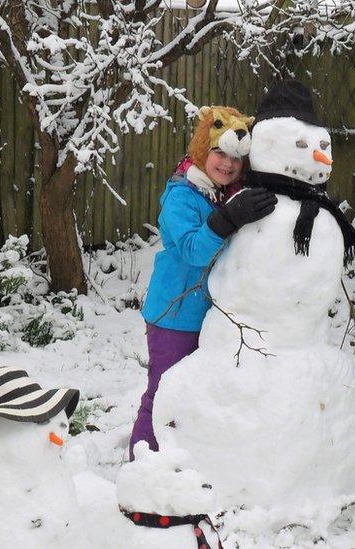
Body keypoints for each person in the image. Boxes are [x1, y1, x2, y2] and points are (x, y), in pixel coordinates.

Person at [130, 106, 277, 460]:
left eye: (235, 159)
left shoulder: (227, 194)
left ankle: (186, 462)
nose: (227, 164)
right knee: (163, 393)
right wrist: (227, 220)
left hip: (214, 319)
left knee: (197, 397)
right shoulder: (181, 196)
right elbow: (194, 250)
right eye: (219, 153)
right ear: (201, 151)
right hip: (175, 316)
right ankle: (142, 462)